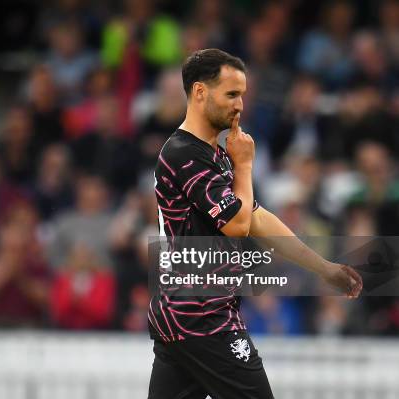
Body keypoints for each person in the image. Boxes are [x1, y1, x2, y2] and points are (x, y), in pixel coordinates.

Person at [148, 49, 362, 399]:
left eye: (243, 95)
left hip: (183, 316)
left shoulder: (214, 154)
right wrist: (245, 167)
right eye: (231, 94)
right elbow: (237, 224)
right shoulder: (183, 154)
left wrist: (324, 268)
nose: (240, 105)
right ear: (200, 92)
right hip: (204, 317)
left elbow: (258, 218)